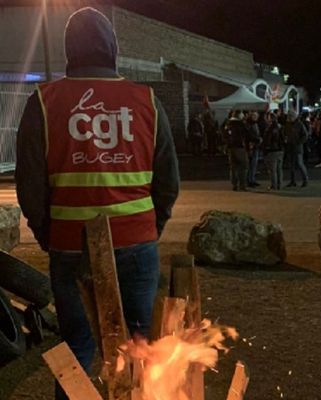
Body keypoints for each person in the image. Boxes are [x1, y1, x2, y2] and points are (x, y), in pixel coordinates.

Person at [15, 8, 179, 400]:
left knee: (78, 346)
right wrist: (150, 228)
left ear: (70, 50)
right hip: (137, 244)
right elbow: (168, 181)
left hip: (71, 246)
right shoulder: (146, 101)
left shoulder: (43, 102)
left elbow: (30, 187)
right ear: (114, 51)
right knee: (141, 343)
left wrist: (49, 235)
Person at [225, 111, 250, 191]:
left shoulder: (227, 124)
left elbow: (224, 134)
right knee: (243, 166)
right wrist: (257, 139)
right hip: (239, 147)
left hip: (230, 147)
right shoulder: (240, 124)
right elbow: (247, 134)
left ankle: (234, 184)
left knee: (233, 167)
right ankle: (242, 185)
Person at [283, 110, 309, 187]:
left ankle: (305, 179)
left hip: (297, 147)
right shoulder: (287, 125)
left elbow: (305, 135)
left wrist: (299, 142)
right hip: (290, 146)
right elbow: (285, 133)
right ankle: (292, 181)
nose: (289, 118)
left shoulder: (300, 124)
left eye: (291, 117)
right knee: (291, 165)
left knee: (300, 164)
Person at [262, 112, 284, 190]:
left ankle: (273, 185)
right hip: (280, 150)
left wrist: (265, 148)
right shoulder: (280, 127)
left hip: (272, 150)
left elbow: (267, 140)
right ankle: (279, 184)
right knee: (279, 169)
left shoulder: (270, 129)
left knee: (272, 170)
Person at [245, 112, 261, 187]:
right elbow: (249, 135)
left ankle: (252, 179)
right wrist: (257, 139)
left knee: (254, 164)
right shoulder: (249, 124)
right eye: (254, 116)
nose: (256, 117)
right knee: (251, 164)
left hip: (255, 145)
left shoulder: (254, 124)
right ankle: (249, 180)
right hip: (252, 146)